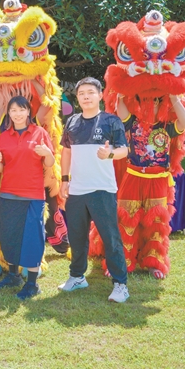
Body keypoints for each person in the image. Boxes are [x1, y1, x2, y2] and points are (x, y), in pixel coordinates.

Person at [58, 77, 130, 303]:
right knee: (77, 237)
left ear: (100, 95)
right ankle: (77, 277)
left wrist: (109, 154)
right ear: (77, 98)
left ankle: (120, 284)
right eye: (81, 93)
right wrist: (64, 179)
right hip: (77, 190)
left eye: (90, 92)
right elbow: (66, 152)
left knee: (110, 237)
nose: (86, 97)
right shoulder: (72, 122)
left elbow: (124, 150)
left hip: (102, 189)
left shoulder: (111, 121)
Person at [112, 93, 185, 278]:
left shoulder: (167, 127)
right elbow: (120, 110)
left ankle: (154, 263)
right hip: (133, 176)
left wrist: (174, 98)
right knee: (126, 218)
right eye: (146, 100)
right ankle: (122, 263)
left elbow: (184, 122)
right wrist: (120, 97)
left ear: (160, 104)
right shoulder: (132, 122)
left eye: (155, 101)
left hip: (158, 179)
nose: (150, 104)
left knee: (156, 222)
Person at [0, 96, 55, 300]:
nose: (17, 114)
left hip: (32, 195)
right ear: (9, 114)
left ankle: (32, 284)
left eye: (21, 110)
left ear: (28, 112)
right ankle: (13, 275)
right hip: (8, 194)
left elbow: (50, 163)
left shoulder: (39, 133)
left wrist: (47, 153)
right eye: (13, 110)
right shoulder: (3, 137)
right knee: (9, 235)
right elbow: (2, 168)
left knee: (32, 238)